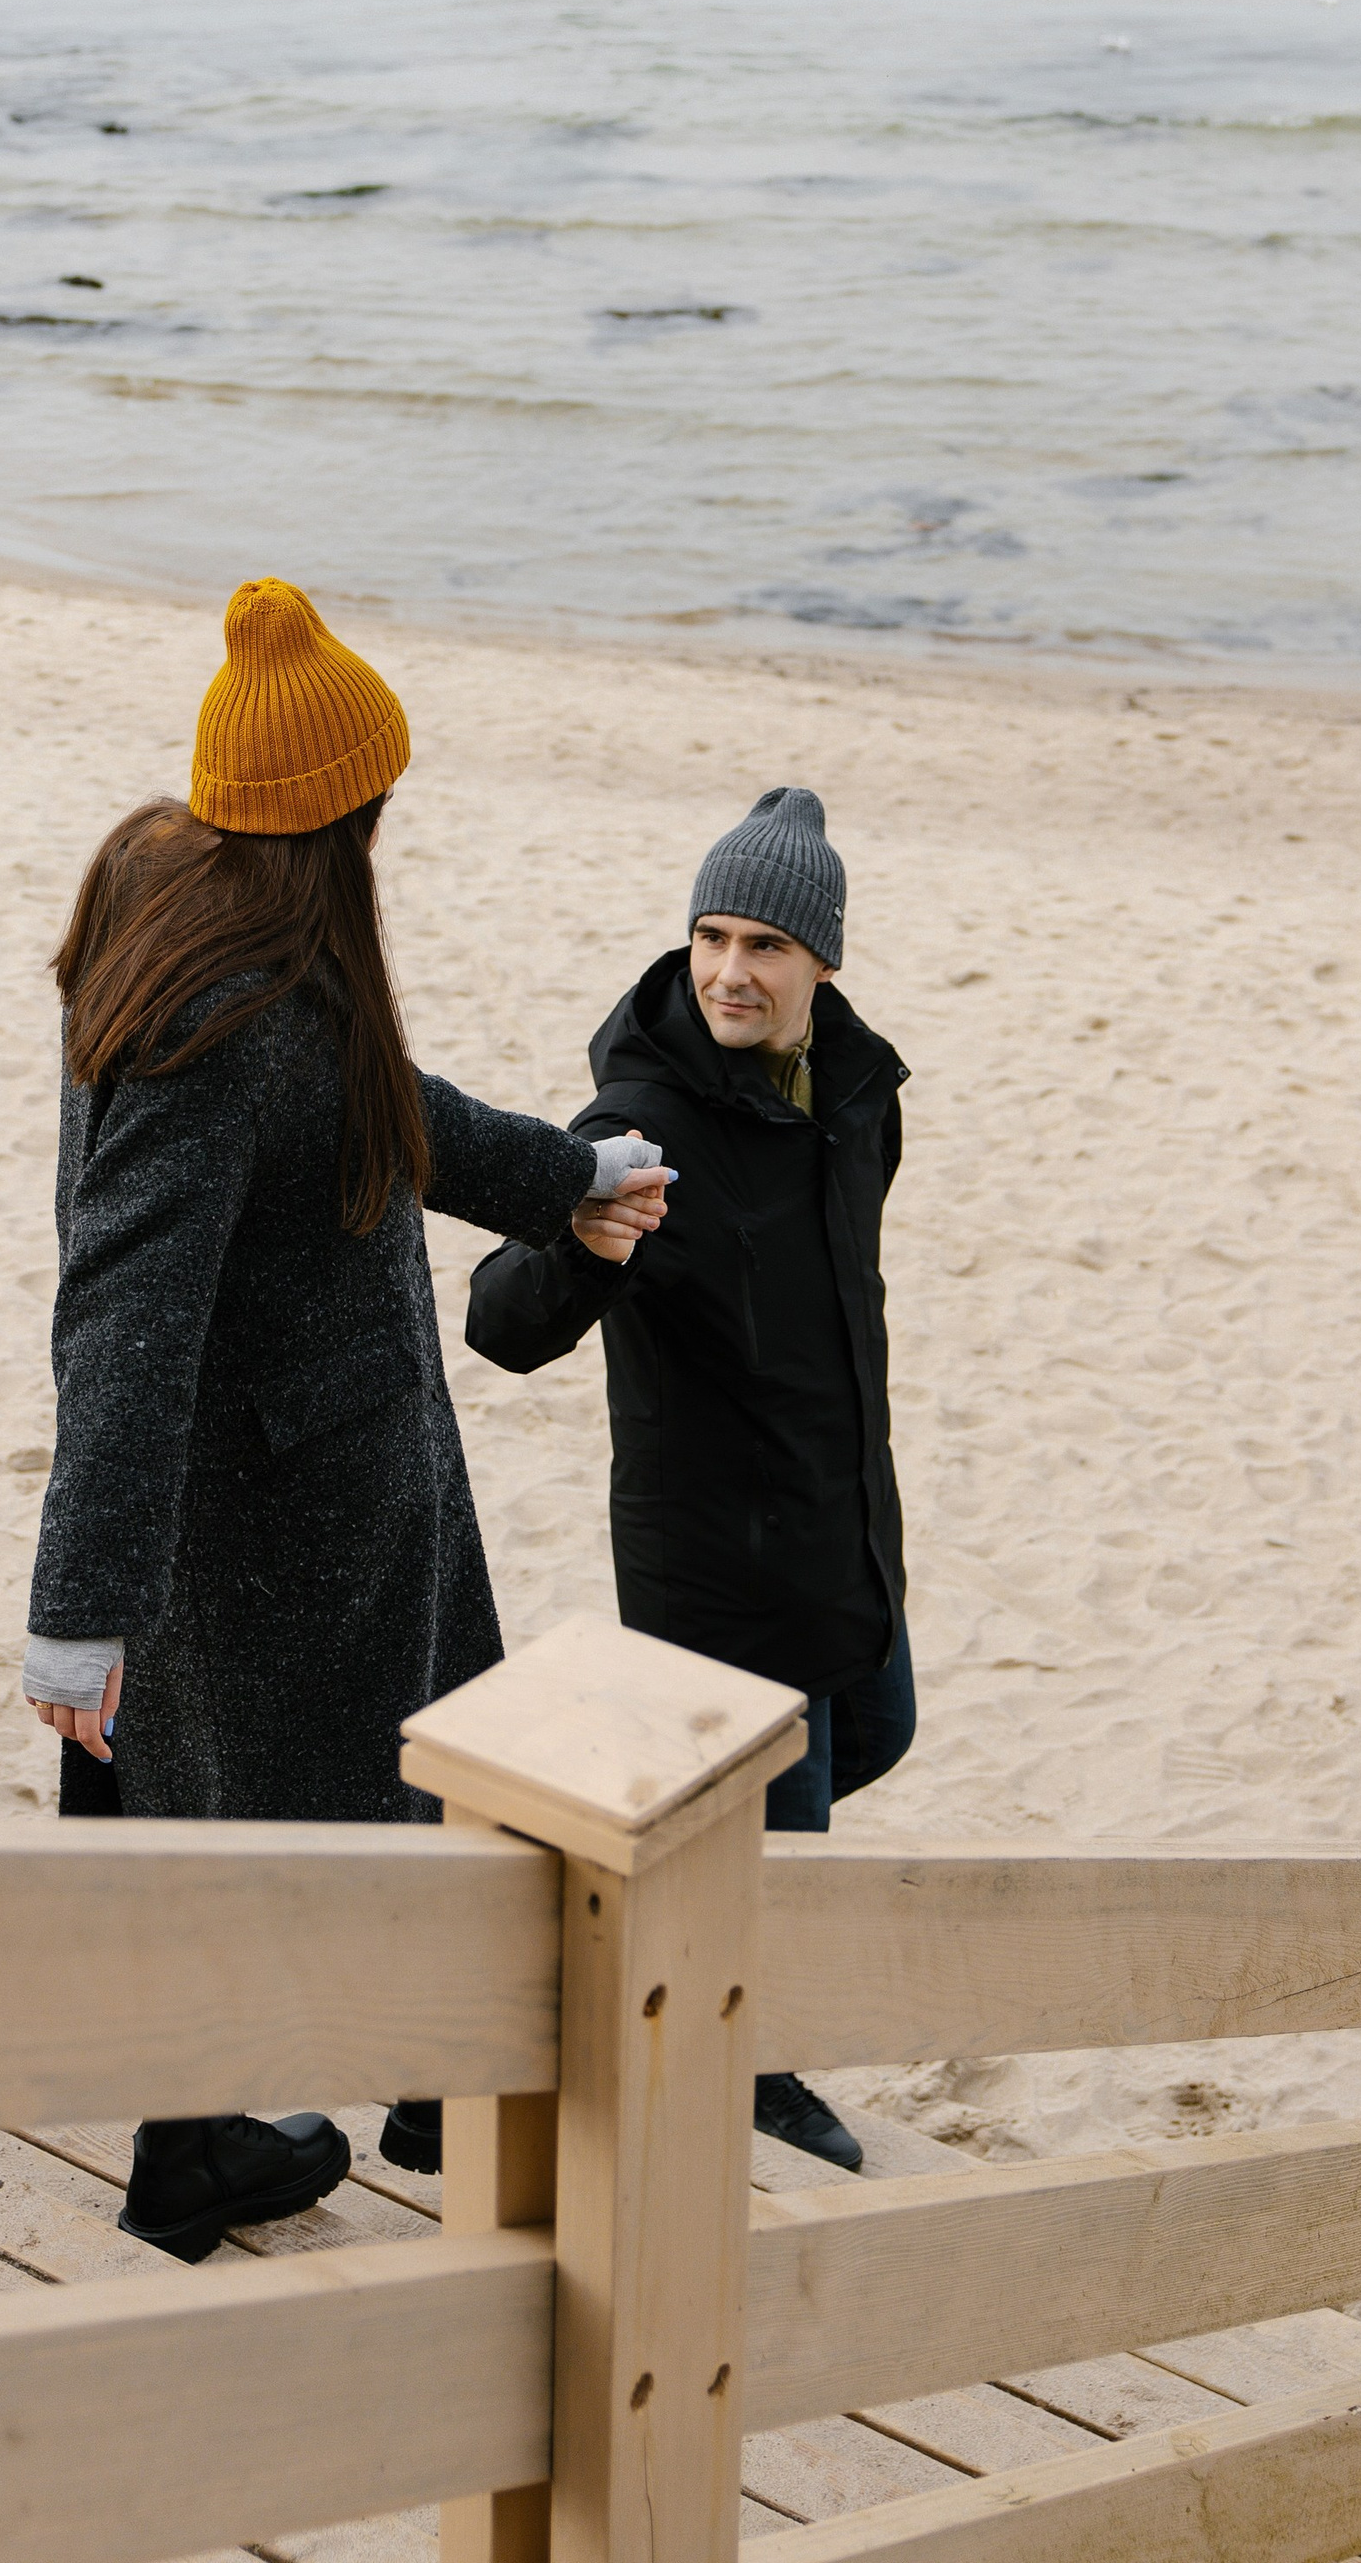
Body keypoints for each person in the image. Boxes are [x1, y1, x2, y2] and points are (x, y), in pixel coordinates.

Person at [21, 578, 669, 2259]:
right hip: (282, 1514)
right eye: (379, 800)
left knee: (268, 1808)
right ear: (337, 814)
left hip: (315, 1468)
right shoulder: (218, 1012)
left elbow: (376, 1108)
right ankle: (365, 2109)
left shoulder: (186, 900)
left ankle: (256, 2134)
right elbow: (124, 1315)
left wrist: (565, 1175)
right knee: (378, 1802)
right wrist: (79, 1607)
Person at [463, 785, 910, 2172]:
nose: (730, 971)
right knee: (774, 1842)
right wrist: (585, 1245)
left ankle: (670, 1946)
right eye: (712, 936)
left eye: (765, 945)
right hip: (718, 1553)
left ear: (822, 962)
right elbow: (500, 1319)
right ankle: (750, 2077)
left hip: (843, 1515)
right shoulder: (642, 1116)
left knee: (878, 1734)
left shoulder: (857, 1093)